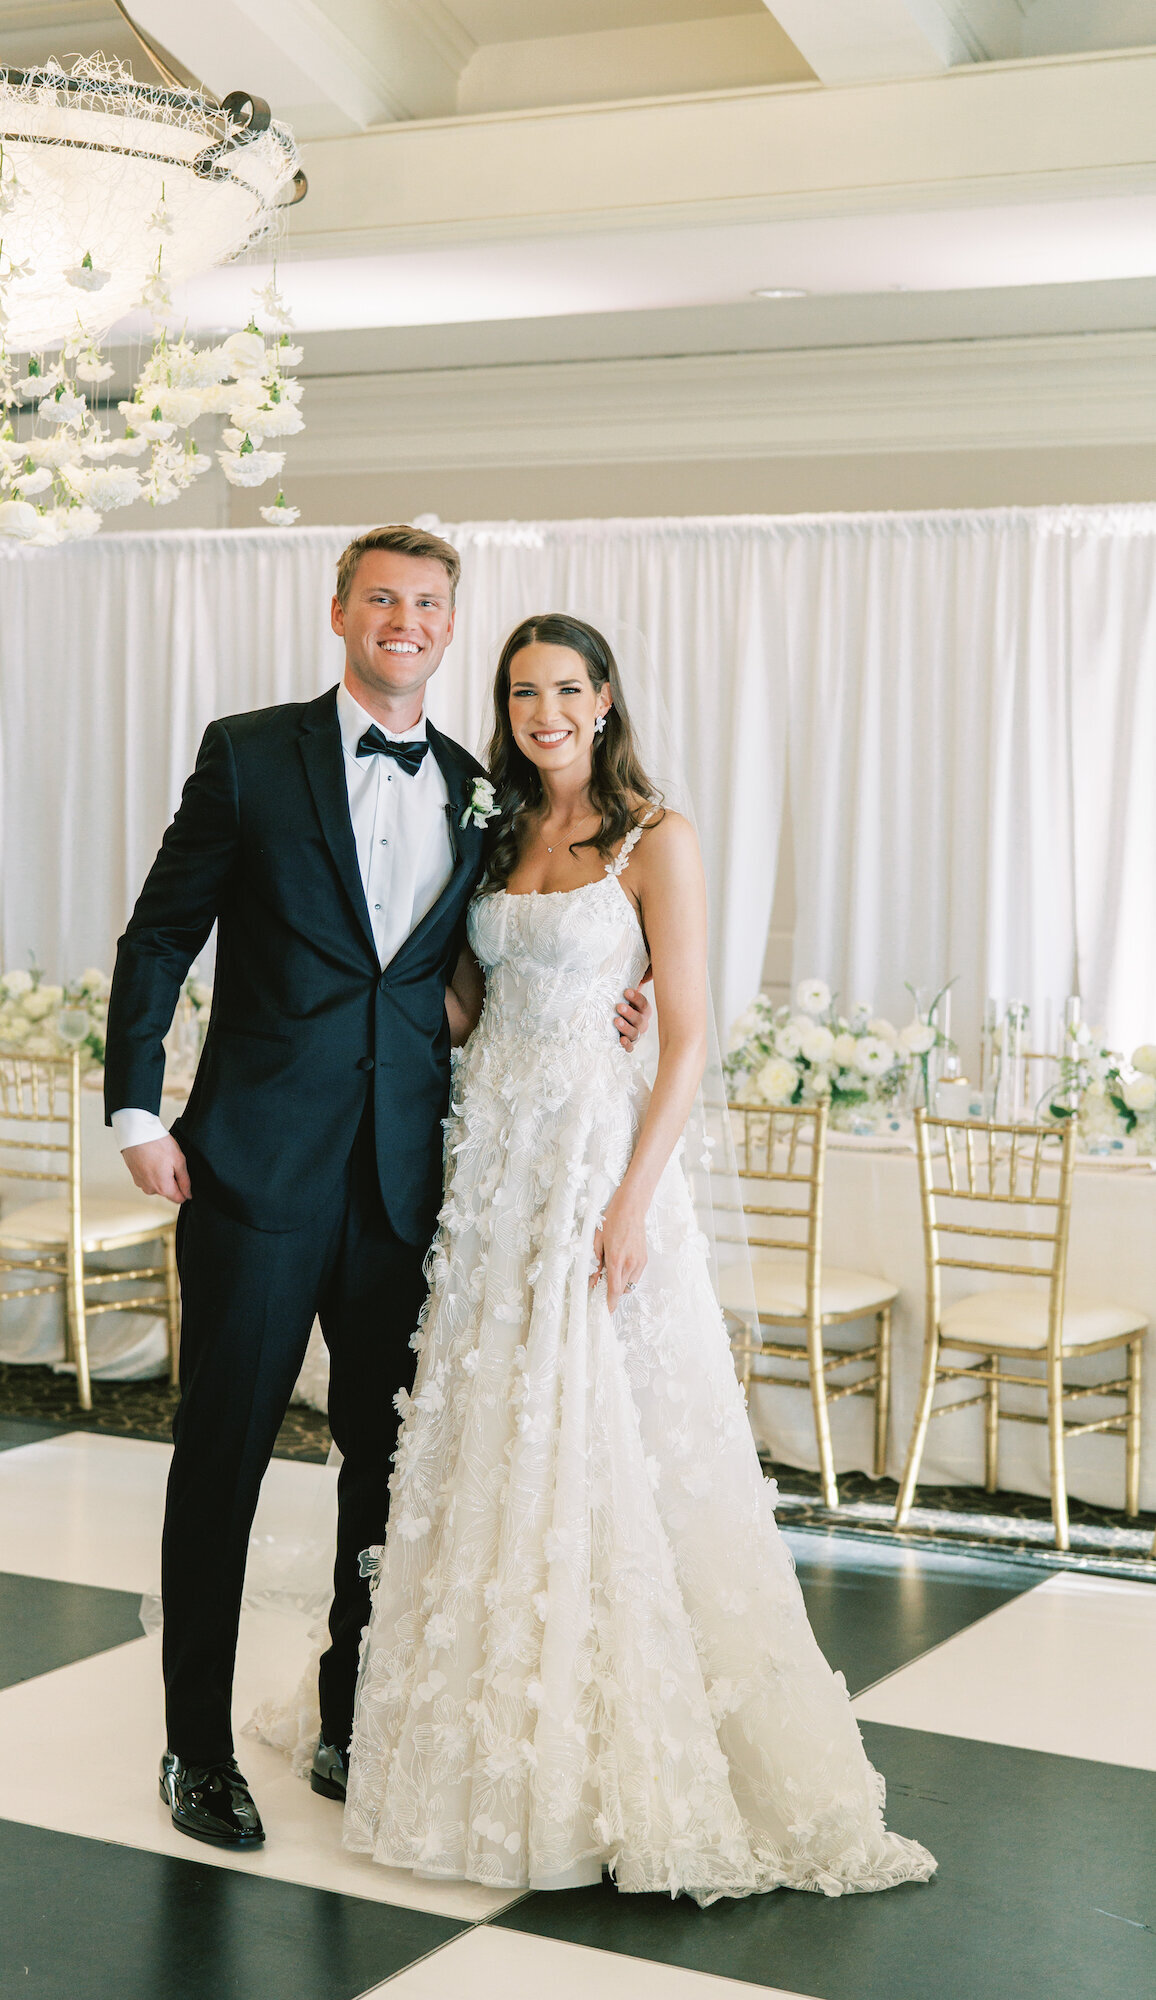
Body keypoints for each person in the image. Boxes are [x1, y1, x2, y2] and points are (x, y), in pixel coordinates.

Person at [337, 613, 937, 1900]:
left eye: (566, 687)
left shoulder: (657, 837)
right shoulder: (496, 832)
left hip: (593, 1163)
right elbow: (466, 1004)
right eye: (522, 691)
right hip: (490, 1163)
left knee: (598, 1428)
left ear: (604, 699)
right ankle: (490, 1737)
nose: (543, 709)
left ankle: (611, 1756)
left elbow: (687, 1037)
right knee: (495, 1426)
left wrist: (630, 1199)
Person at [104, 529, 650, 1851]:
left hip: (415, 1183)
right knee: (222, 1457)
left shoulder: (482, 789)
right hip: (251, 1168)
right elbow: (163, 930)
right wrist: (134, 1104)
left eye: (430, 605)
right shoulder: (247, 752)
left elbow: (454, 987)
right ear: (341, 609)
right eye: (384, 599)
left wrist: (595, 1008)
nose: (406, 621)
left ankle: (351, 1713)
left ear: (452, 628)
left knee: (388, 1463)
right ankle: (194, 1751)